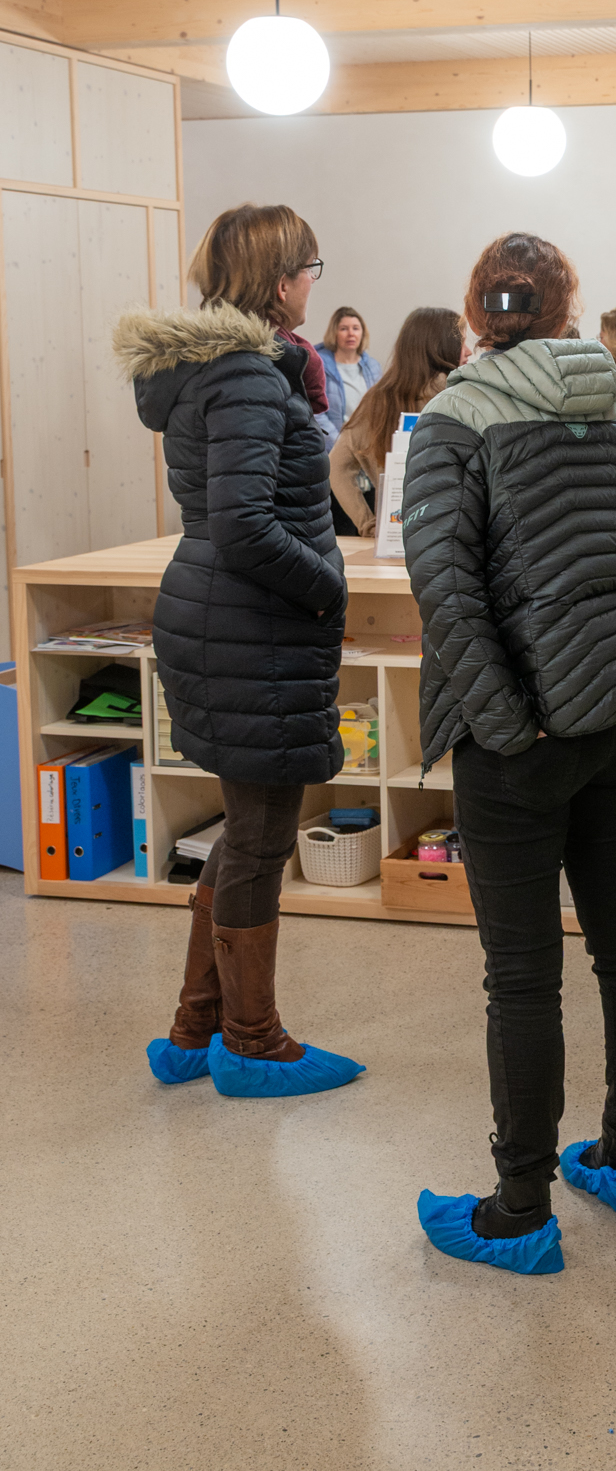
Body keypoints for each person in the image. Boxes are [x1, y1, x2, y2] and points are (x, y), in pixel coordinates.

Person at [402, 232, 616, 1276]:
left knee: (522, 974)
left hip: (522, 738)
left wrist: (503, 722)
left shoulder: (455, 418)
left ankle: (520, 1210)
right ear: (567, 306)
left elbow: (444, 587)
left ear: (477, 312)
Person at [113, 203, 361, 1099]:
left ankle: (194, 1030)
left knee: (245, 830)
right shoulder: (251, 377)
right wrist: (329, 588)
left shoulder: (215, 370)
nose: (313, 285)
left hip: (223, 617)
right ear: (280, 280)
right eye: (309, 269)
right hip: (251, 624)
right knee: (259, 839)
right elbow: (247, 525)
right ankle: (253, 1043)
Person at [330, 306, 467, 535]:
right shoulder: (456, 398)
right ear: (441, 346)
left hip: (393, 536)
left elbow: (336, 466)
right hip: (450, 536)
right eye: (461, 342)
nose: (469, 351)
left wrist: (368, 524)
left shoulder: (376, 401)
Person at [317, 306, 380, 448]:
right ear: (334, 333)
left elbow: (379, 408)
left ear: (362, 333)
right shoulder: (319, 365)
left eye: (356, 328)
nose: (351, 334)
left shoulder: (373, 367)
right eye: (344, 329)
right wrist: (341, 445)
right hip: (332, 447)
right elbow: (317, 414)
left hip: (366, 446)